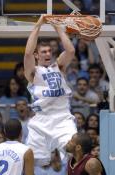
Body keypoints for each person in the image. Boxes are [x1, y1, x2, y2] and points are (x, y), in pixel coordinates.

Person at [24, 14, 77, 166]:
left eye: (49, 51)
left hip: (62, 118)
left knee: (75, 152)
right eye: (44, 52)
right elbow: (27, 53)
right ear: (37, 55)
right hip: (42, 120)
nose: (48, 54)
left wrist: (57, 26)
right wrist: (39, 25)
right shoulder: (33, 72)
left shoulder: (58, 66)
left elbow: (71, 50)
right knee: (34, 162)